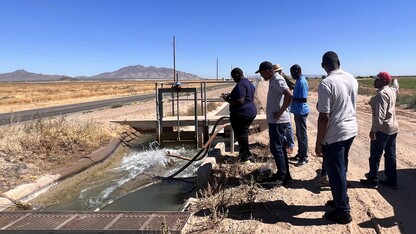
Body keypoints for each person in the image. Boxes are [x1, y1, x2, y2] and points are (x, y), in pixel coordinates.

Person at [315, 51, 358, 224]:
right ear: (339, 62)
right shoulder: (351, 78)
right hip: (350, 130)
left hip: (335, 134)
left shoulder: (326, 83)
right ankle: (342, 200)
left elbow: (323, 117)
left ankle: (343, 213)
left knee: (336, 172)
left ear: (323, 65)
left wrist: (319, 143)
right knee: (342, 168)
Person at [256, 61, 293, 185]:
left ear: (267, 71)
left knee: (276, 148)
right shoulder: (274, 80)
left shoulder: (277, 80)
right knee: (279, 148)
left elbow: (289, 95)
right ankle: (284, 174)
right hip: (275, 121)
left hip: (278, 121)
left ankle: (282, 176)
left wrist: (280, 112)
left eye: (262, 73)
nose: (262, 76)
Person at [360, 72, 399, 189]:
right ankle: (391, 180)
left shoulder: (381, 95)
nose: (374, 81)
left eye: (377, 80)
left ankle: (373, 179)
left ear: (383, 81)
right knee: (390, 155)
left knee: (375, 156)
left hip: (382, 129)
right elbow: (396, 86)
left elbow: (379, 117)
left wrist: (373, 130)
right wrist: (395, 81)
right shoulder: (392, 90)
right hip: (393, 128)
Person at [221, 67, 257, 163]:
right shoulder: (249, 83)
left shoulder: (240, 84)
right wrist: (231, 95)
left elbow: (239, 101)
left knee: (242, 134)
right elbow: (245, 96)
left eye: (233, 77)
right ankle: (245, 154)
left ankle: (245, 157)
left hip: (242, 113)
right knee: (243, 134)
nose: (233, 79)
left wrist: (226, 99)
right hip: (250, 111)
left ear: (237, 74)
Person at [289, 64, 310, 166]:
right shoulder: (298, 81)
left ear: (297, 72)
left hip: (301, 112)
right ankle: (300, 154)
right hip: (298, 112)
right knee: (299, 135)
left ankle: (304, 157)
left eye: (292, 73)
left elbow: (303, 99)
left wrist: (291, 98)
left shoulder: (302, 82)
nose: (291, 75)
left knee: (302, 135)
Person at [273, 64, 295, 155]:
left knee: (288, 125)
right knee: (284, 126)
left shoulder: (283, 78)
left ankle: (290, 145)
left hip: (286, 103)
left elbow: (293, 85)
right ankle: (286, 143)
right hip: (282, 103)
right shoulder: (277, 79)